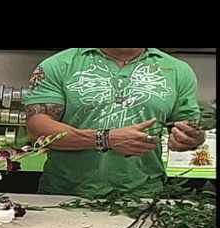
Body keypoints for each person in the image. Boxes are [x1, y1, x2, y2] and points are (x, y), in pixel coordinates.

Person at [24, 48, 206, 197]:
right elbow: (37, 128)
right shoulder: (59, 65)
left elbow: (187, 126)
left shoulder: (178, 70)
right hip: (66, 195)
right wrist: (104, 139)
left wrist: (191, 138)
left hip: (144, 196)